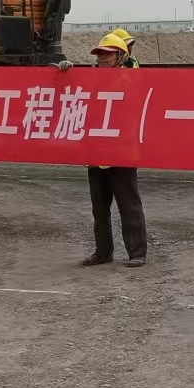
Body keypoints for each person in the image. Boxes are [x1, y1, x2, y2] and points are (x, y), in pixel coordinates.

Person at [69, 32, 146, 268]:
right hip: (97, 153)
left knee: (129, 206)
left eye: (108, 54)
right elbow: (71, 95)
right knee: (99, 210)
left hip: (122, 154)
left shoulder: (131, 80)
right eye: (100, 54)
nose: (102, 57)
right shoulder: (91, 80)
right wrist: (66, 73)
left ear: (121, 56)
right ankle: (103, 253)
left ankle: (137, 253)